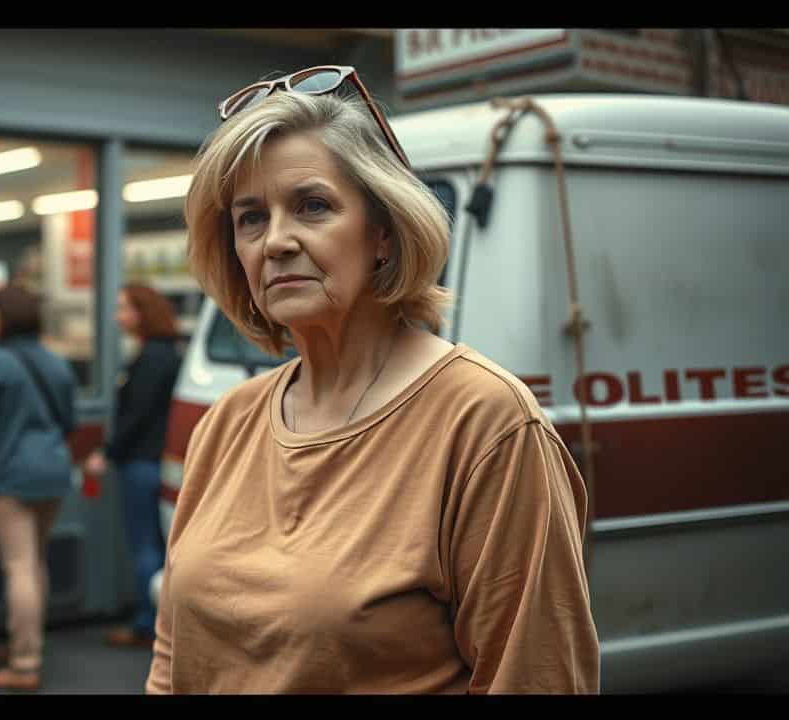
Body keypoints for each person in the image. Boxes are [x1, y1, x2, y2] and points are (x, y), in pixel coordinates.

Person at [146, 66, 599, 694]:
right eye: (251, 218)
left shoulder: (486, 420)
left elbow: (536, 677)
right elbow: (172, 662)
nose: (276, 240)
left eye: (312, 206)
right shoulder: (228, 421)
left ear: (383, 234)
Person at [0, 285, 77, 692]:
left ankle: (24, 663)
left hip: (10, 474)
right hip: (53, 471)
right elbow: (68, 420)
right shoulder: (56, 361)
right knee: (35, 562)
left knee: (18, 566)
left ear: (6, 317)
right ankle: (27, 642)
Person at [83, 284, 182, 649]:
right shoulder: (166, 354)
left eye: (123, 308)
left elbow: (136, 415)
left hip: (142, 461)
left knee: (145, 545)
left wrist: (107, 452)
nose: (117, 316)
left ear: (143, 312)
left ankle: (147, 623)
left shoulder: (150, 358)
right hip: (159, 459)